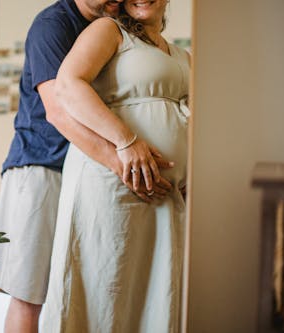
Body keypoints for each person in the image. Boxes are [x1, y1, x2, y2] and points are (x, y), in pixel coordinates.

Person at [0, 0, 175, 332]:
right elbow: (59, 111)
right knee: (29, 296)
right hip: (42, 168)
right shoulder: (52, 26)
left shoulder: (113, 26)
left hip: (84, 174)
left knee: (76, 289)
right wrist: (123, 162)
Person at [41, 0, 190, 331]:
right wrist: (127, 142)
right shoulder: (109, 31)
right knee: (103, 289)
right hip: (111, 183)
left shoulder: (181, 56)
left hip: (165, 198)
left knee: (149, 296)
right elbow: (67, 86)